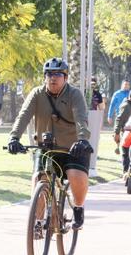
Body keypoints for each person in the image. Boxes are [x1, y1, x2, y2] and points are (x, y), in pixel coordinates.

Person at [8, 58, 92, 228]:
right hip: (45, 148)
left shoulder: (74, 95)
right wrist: (14, 137)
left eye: (58, 74)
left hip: (73, 148)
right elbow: (23, 116)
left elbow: (81, 120)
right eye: (49, 74)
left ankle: (78, 207)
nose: (53, 78)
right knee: (39, 179)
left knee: (76, 175)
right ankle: (38, 223)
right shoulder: (37, 94)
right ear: (44, 77)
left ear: (65, 77)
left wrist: (82, 140)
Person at [113, 89, 131, 174]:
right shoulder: (126, 106)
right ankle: (125, 172)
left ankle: (130, 171)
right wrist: (116, 132)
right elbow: (119, 119)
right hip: (125, 133)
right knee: (125, 153)